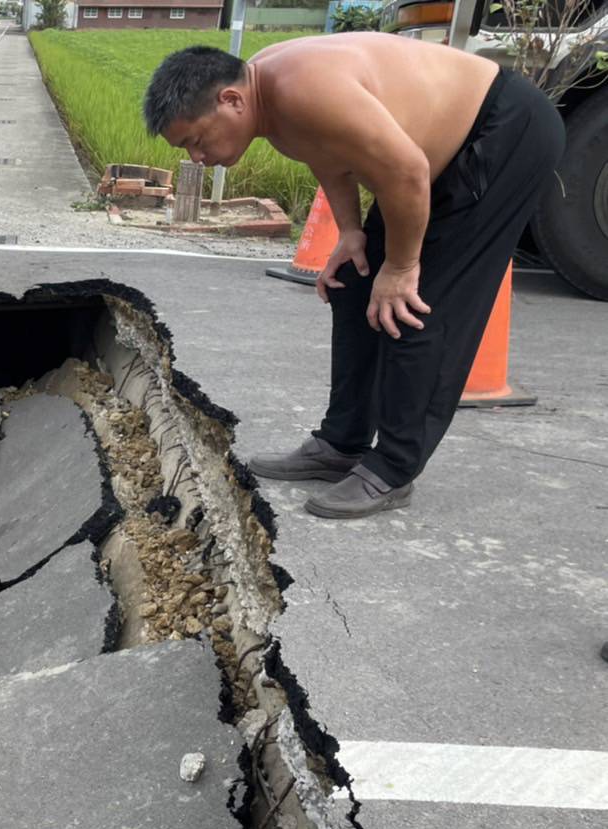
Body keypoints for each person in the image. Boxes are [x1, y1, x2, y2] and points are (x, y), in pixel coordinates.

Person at [144, 35, 565, 519]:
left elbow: (407, 171)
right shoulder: (267, 97)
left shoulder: (303, 89)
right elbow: (328, 154)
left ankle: (393, 468)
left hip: (504, 132)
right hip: (432, 158)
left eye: (196, 140)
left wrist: (403, 268)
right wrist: (349, 232)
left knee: (419, 302)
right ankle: (342, 443)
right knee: (354, 283)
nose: (197, 158)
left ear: (231, 100)